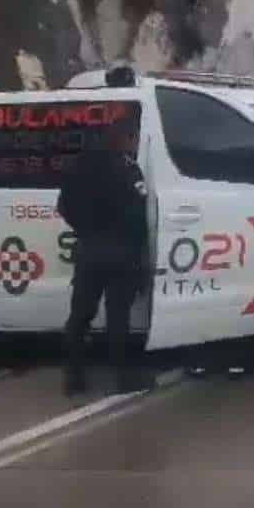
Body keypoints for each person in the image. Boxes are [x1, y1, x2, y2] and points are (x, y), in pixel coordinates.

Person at [56, 70, 150, 395]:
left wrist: (84, 229)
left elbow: (63, 206)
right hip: (120, 252)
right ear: (122, 139)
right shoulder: (128, 169)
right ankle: (123, 379)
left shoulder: (79, 167)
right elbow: (139, 215)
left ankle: (74, 378)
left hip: (89, 250)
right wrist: (139, 255)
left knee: (80, 315)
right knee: (118, 317)